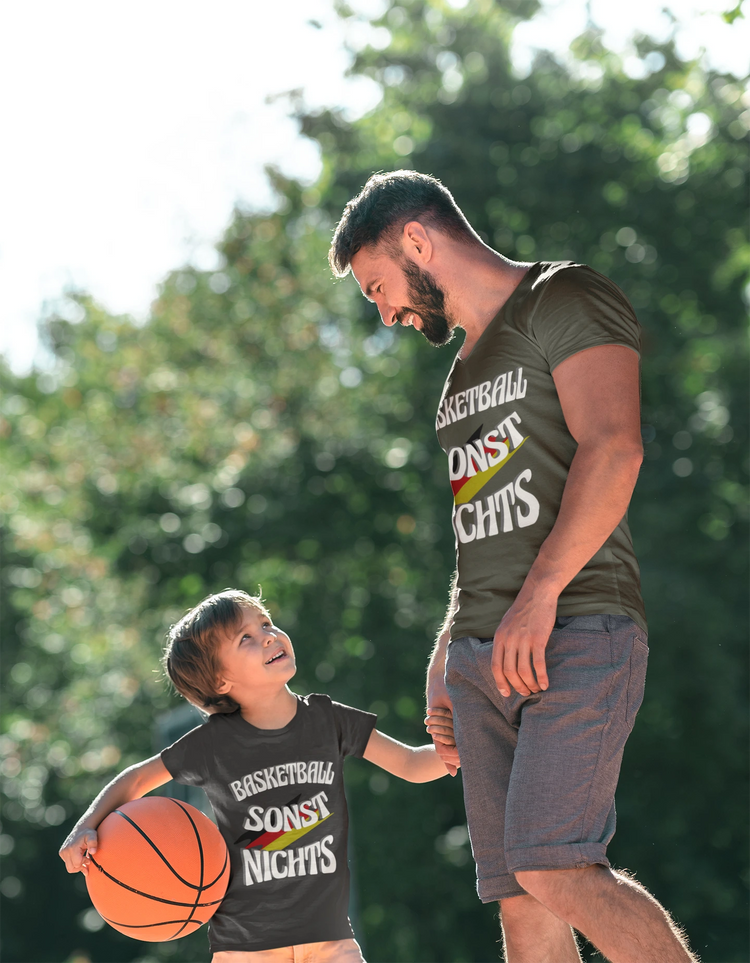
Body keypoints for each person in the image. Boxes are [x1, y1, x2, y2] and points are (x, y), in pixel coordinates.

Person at [329, 170, 698, 963]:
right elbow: (482, 527)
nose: (386, 311)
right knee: (522, 905)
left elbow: (615, 445)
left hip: (575, 626)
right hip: (481, 656)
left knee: (554, 861)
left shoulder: (562, 297)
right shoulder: (459, 375)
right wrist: (446, 649)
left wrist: (539, 596)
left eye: (378, 287)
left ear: (418, 242)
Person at [59, 588, 458, 962]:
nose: (267, 636)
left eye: (266, 624)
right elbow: (135, 780)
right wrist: (85, 826)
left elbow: (410, 764)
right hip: (246, 947)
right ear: (220, 681)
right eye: (244, 638)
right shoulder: (213, 744)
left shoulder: (328, 720)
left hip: (330, 941)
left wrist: (469, 746)